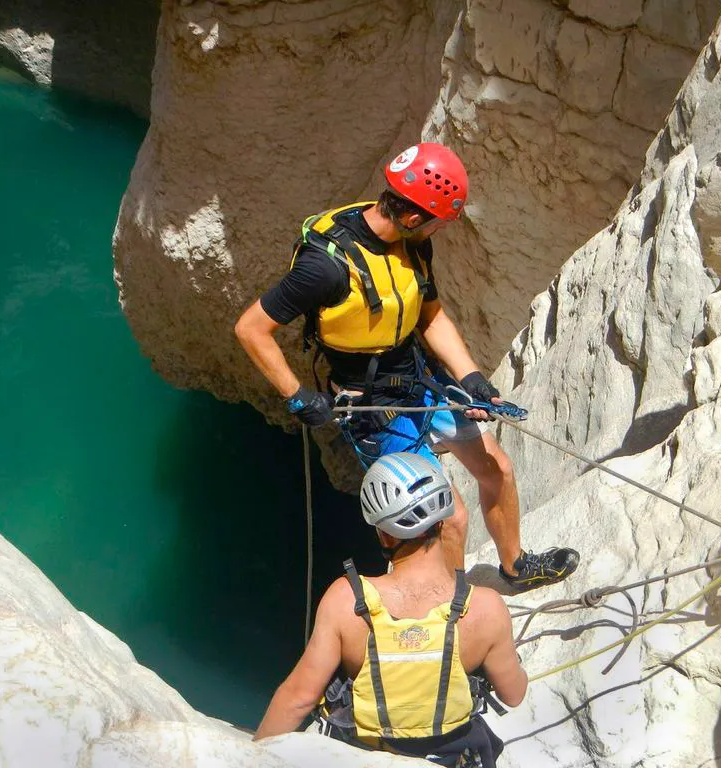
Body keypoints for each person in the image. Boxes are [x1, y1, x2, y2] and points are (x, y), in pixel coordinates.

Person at [235, 142, 577, 589]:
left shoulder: (411, 245)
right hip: (371, 407)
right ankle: (453, 612)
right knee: (447, 516)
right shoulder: (326, 267)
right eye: (435, 222)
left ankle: (514, 567)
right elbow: (250, 328)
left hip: (418, 381)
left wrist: (470, 377)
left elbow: (430, 316)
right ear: (413, 216)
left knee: (498, 469)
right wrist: (297, 396)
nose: (436, 230)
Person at [254, 453, 527, 766]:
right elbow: (514, 694)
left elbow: (298, 699)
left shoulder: (347, 601)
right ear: (442, 521)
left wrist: (249, 759)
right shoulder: (485, 608)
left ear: (383, 532)